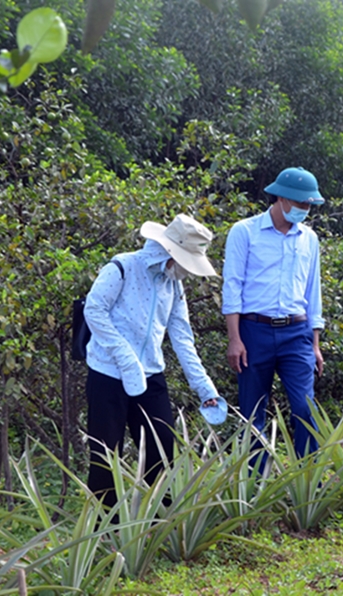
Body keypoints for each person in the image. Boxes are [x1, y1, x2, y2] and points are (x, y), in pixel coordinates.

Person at [83, 214, 227, 511]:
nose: (189, 271)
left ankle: (157, 527)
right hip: (108, 374)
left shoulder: (173, 284)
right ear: (171, 252)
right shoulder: (122, 267)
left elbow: (182, 337)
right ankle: (103, 531)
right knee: (105, 454)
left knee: (162, 451)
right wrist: (123, 355)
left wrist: (205, 388)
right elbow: (94, 310)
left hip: (151, 374)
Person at [221, 167, 326, 472]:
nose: (304, 211)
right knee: (254, 411)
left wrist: (315, 343)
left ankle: (309, 480)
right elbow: (233, 285)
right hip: (254, 330)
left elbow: (312, 290)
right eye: (300, 204)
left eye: (308, 206)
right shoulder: (245, 232)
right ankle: (256, 484)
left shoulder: (309, 239)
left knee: (306, 408)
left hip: (297, 332)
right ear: (280, 197)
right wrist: (235, 338)